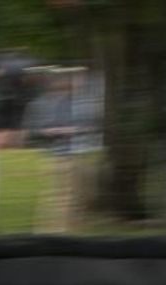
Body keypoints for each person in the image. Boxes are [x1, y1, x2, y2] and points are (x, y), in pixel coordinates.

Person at [26, 67, 101, 232]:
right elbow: (35, 130)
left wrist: (75, 130)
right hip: (57, 154)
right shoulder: (44, 103)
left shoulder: (84, 103)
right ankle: (50, 229)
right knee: (57, 195)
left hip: (81, 153)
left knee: (78, 196)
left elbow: (92, 126)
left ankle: (70, 229)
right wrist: (51, 131)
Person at [0, 47, 39, 148]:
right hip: (2, 99)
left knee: (16, 127)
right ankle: (4, 147)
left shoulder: (27, 62)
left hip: (20, 100)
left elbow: (34, 78)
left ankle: (13, 148)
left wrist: (22, 78)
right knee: (4, 127)